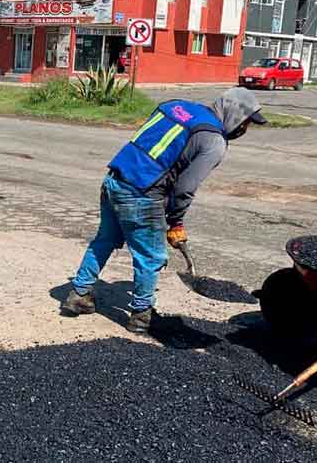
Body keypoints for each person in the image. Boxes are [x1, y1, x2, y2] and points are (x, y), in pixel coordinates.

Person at [61, 88, 268, 332]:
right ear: (235, 115)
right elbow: (184, 188)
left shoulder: (175, 106)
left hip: (113, 181)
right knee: (150, 257)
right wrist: (176, 221)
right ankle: (141, 316)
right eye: (246, 123)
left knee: (104, 241)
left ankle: (78, 294)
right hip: (142, 194)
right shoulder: (214, 140)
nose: (245, 129)